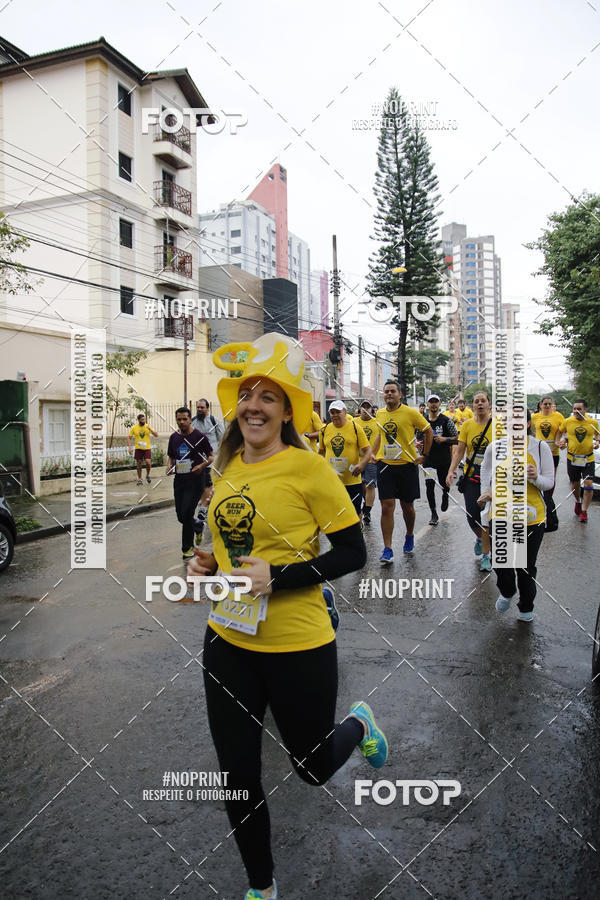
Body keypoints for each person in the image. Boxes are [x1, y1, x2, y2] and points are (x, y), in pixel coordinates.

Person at [187, 333, 387, 900]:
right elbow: (230, 540)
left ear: (286, 410)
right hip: (228, 640)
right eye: (246, 394)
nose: (254, 404)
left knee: (312, 767)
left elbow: (353, 552)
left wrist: (278, 578)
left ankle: (360, 724)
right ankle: (261, 887)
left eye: (268, 397)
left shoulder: (309, 468)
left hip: (299, 643)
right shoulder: (224, 467)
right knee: (238, 774)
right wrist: (208, 561)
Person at [479, 409, 554, 622]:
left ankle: (526, 606)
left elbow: (549, 482)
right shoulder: (495, 448)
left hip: (532, 517)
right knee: (502, 563)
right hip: (501, 513)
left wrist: (536, 477)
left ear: (528, 423)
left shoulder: (540, 448)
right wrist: (486, 492)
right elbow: (485, 471)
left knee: (525, 566)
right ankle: (507, 591)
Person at [372, 380, 432, 562]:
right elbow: (380, 435)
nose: (389, 394)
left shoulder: (411, 412)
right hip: (385, 467)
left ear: (400, 395)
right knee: (386, 507)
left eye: (392, 391)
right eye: (386, 391)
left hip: (407, 465)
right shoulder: (380, 414)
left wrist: (425, 455)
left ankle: (409, 534)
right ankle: (388, 549)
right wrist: (373, 453)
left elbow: (428, 431)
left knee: (407, 507)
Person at [446, 391, 493, 571]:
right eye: (476, 401)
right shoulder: (467, 426)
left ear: (489, 404)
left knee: (486, 517)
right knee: (472, 517)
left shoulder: (498, 426)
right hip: (472, 476)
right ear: (472, 406)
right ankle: (481, 538)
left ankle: (486, 556)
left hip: (491, 480)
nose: (479, 404)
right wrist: (451, 471)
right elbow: (459, 451)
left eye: (483, 401)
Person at [166, 408, 213, 559]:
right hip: (179, 481)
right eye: (179, 419)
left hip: (195, 481)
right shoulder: (174, 437)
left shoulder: (199, 437)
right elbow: (171, 457)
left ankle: (187, 549)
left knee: (186, 512)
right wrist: (169, 466)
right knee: (181, 516)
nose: (181, 422)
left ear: (190, 419)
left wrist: (201, 466)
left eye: (184, 419)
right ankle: (198, 526)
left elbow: (211, 456)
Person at [319, 400, 371, 517]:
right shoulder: (324, 430)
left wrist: (362, 465)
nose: (334, 415)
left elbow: (368, 451)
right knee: (335, 514)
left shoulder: (355, 428)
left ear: (345, 412)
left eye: (337, 412)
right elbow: (321, 453)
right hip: (332, 482)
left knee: (354, 512)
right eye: (332, 413)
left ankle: (358, 531)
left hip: (352, 481)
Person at [557, 399, 600, 523]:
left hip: (588, 458)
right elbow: (561, 433)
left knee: (588, 483)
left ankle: (584, 510)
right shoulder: (568, 421)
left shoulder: (592, 422)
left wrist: (597, 442)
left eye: (579, 409)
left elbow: (597, 434)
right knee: (575, 484)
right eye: (574, 408)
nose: (576, 411)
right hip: (572, 458)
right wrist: (560, 442)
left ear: (585, 409)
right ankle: (578, 501)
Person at [191, 399, 225, 544]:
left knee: (207, 485)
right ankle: (206, 505)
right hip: (196, 461)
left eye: (202, 407)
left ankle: (203, 511)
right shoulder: (192, 422)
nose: (199, 409)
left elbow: (223, 439)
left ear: (207, 408)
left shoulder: (214, 421)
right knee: (201, 487)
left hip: (212, 460)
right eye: (197, 407)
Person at [421, 394, 457, 525]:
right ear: (428, 404)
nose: (433, 404)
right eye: (431, 402)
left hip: (443, 458)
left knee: (444, 483)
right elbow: (418, 436)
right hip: (429, 459)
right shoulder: (423, 420)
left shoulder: (446, 421)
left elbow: (456, 438)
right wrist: (419, 444)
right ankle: (433, 513)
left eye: (436, 402)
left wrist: (444, 439)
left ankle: (445, 495)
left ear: (439, 404)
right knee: (429, 485)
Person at [531, 395, 564, 531]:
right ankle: (544, 508)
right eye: (545, 404)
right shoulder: (535, 417)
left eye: (550, 404)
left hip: (553, 454)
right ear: (540, 405)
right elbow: (531, 431)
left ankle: (548, 508)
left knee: (550, 482)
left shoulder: (558, 417)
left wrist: (561, 441)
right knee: (538, 480)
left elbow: (564, 431)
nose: (547, 406)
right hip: (538, 453)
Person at [353, 400, 379, 524]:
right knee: (361, 485)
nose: (365, 409)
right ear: (359, 410)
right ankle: (365, 504)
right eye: (363, 407)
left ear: (372, 410)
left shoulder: (377, 423)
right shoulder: (354, 422)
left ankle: (367, 512)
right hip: (356, 460)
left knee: (370, 485)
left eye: (368, 407)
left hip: (371, 460)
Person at [127, 413, 158, 485]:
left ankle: (148, 475)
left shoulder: (148, 426)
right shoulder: (134, 428)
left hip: (147, 448)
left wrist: (150, 429)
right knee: (139, 463)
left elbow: (156, 435)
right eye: (142, 420)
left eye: (144, 419)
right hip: (138, 448)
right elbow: (129, 437)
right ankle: (140, 478)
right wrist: (130, 447)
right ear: (138, 420)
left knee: (148, 462)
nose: (144, 421)